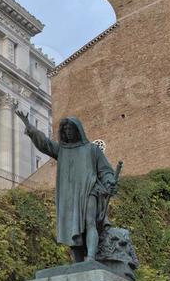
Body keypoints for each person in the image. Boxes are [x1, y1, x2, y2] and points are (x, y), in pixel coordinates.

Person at [15, 112, 118, 262]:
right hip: (69, 196)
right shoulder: (62, 150)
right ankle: (78, 264)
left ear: (78, 130)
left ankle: (90, 258)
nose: (68, 132)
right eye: (65, 130)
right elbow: (45, 143)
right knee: (71, 230)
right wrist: (29, 126)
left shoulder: (92, 149)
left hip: (89, 190)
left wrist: (109, 181)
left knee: (90, 222)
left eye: (71, 129)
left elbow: (105, 171)